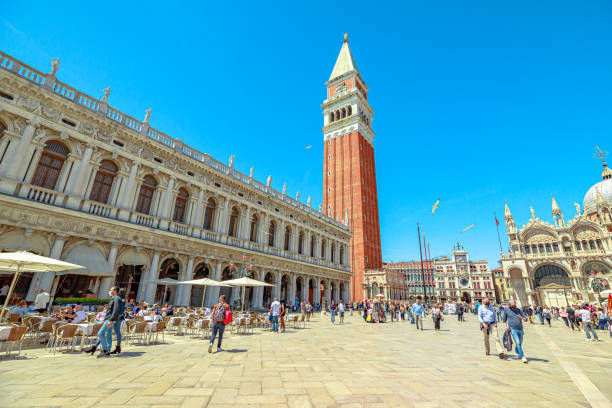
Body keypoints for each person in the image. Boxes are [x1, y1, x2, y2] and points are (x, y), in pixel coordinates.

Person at [97, 286, 125, 358]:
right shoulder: (114, 298)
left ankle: (105, 350)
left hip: (110, 319)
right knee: (108, 334)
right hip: (109, 319)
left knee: (100, 334)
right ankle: (107, 350)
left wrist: (110, 320)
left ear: (115, 291)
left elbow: (116, 310)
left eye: (111, 290)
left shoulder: (117, 298)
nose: (109, 291)